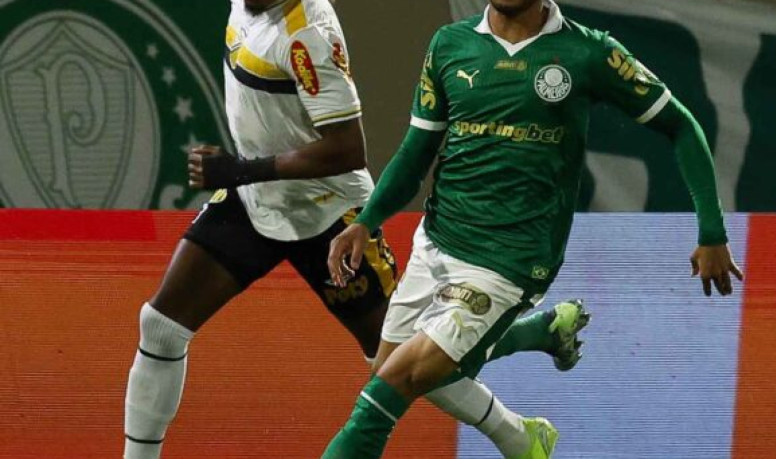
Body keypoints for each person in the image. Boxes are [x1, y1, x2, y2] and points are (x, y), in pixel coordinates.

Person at [122, 1, 588, 458]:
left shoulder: (308, 35)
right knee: (160, 326)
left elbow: (346, 150)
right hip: (254, 200)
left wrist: (239, 170)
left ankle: (519, 433)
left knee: (399, 362)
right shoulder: (246, 6)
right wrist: (245, 177)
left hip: (330, 216)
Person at [323, 0, 745, 458]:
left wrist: (711, 231)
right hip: (439, 239)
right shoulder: (449, 45)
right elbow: (416, 152)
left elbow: (680, 125)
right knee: (394, 367)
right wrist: (368, 221)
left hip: (512, 259)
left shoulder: (589, 53)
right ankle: (526, 419)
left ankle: (521, 396)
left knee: (391, 386)